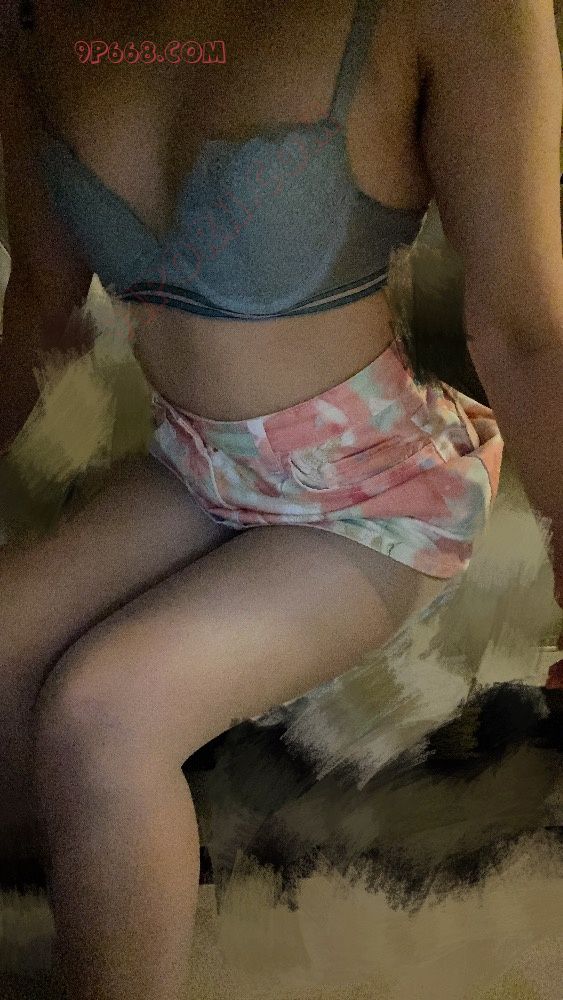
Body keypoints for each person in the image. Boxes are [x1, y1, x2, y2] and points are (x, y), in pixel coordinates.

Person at [0, 1, 561, 997]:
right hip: (197, 461)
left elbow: (522, 330)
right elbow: (42, 302)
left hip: (372, 491)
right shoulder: (32, 18)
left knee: (105, 713)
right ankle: (88, 886)